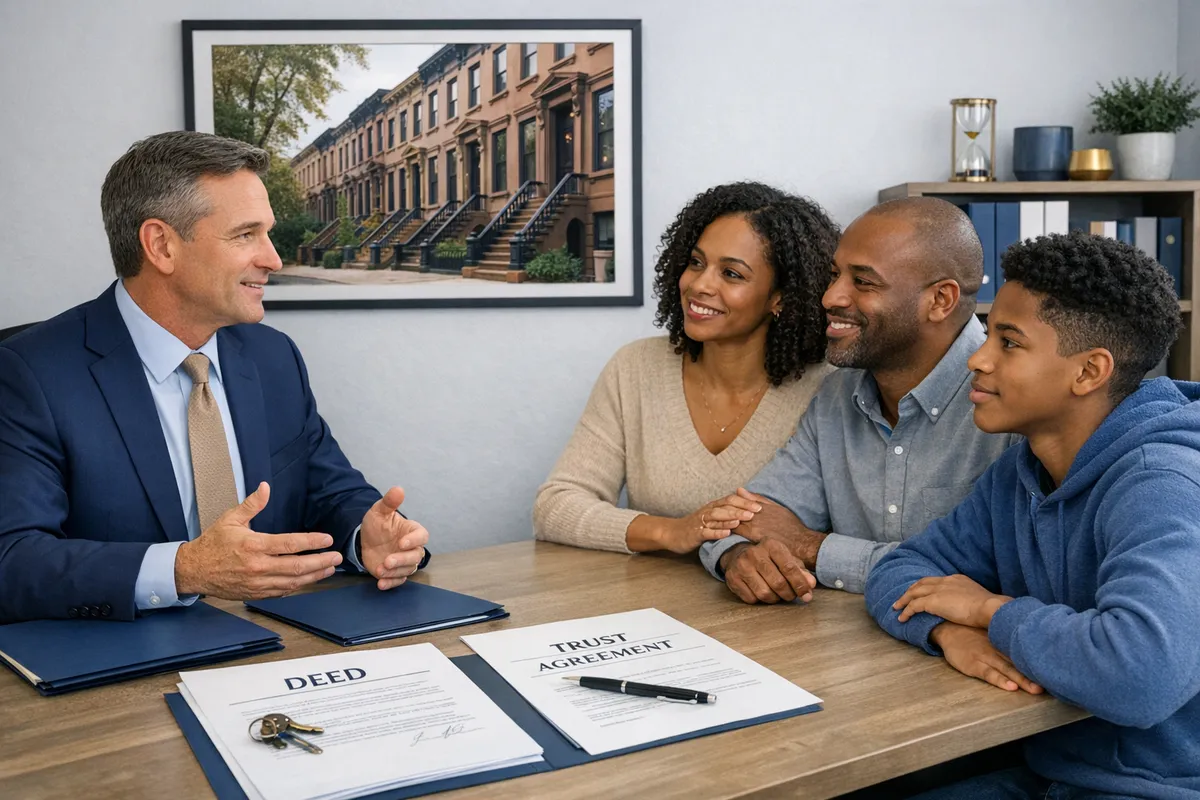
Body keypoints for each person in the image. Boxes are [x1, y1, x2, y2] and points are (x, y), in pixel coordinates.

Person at [0, 131, 430, 624]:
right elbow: (11, 559)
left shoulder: (274, 357)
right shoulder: (29, 374)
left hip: (276, 648)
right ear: (161, 245)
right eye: (246, 235)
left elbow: (328, 490)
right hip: (119, 673)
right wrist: (184, 570)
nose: (273, 259)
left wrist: (367, 536)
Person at [866, 232, 1200, 799]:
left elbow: (1142, 675)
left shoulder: (1161, 483)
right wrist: (946, 629)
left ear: (1089, 372)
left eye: (1009, 341)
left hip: (1155, 788)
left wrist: (990, 610)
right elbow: (903, 569)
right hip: (1053, 770)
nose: (977, 357)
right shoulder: (1022, 471)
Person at [700, 197, 1018, 603]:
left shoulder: (1014, 400)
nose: (830, 297)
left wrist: (809, 546)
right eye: (835, 275)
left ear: (940, 300)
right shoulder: (837, 394)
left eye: (863, 282)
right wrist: (741, 556)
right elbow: (746, 517)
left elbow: (990, 576)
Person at [533, 182, 837, 568]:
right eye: (696, 262)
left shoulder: (829, 388)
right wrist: (672, 531)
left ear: (781, 296)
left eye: (731, 273)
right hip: (653, 611)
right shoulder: (636, 368)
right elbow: (556, 505)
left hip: (782, 615)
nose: (699, 285)